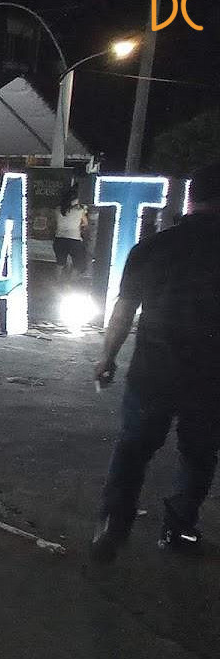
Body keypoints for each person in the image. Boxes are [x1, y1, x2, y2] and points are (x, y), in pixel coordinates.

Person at [89, 163, 220, 563]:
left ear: (190, 199)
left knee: (132, 449)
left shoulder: (152, 248)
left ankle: (113, 526)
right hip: (211, 377)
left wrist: (107, 357)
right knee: (198, 456)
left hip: (153, 371)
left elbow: (123, 311)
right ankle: (179, 529)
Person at [53, 187, 89, 279]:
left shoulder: (57, 209)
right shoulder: (79, 210)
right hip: (74, 240)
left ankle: (57, 281)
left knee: (60, 264)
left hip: (59, 239)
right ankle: (71, 282)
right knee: (78, 264)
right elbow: (85, 223)